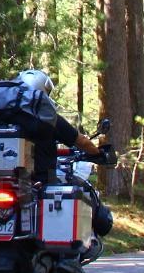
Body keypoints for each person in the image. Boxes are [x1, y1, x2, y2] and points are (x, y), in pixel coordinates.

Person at [15, 68, 115, 236]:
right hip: (40, 180)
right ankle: (67, 246)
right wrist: (97, 153)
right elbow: (81, 141)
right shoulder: (47, 117)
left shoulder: (2, 118)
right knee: (79, 193)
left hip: (0, 180)